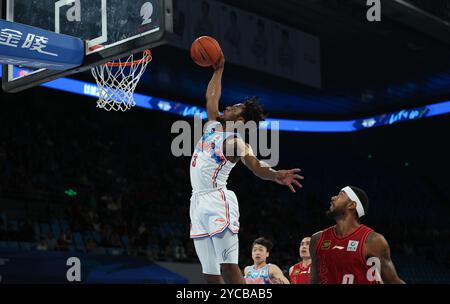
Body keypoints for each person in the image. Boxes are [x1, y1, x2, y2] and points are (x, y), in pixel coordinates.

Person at [189, 52, 304, 284]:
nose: (228, 106)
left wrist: (274, 174)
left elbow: (255, 166)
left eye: (235, 108)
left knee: (229, 267)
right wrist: (218, 70)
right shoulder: (213, 125)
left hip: (217, 201)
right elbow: (211, 98)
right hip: (197, 202)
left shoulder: (235, 142)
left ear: (240, 121)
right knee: (210, 272)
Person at [309, 186, 405, 284]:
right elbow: (314, 278)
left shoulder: (373, 240)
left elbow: (393, 281)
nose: (333, 197)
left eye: (340, 195)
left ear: (352, 205)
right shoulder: (317, 239)